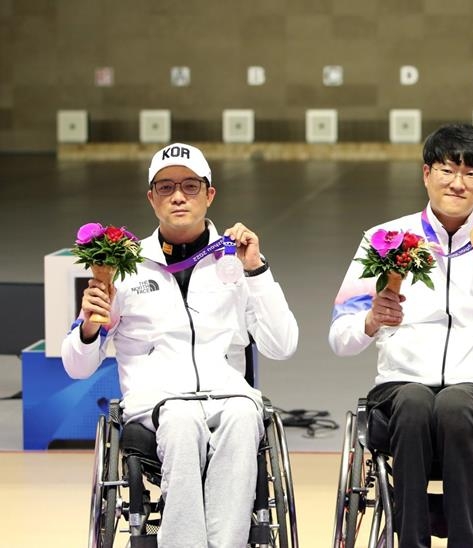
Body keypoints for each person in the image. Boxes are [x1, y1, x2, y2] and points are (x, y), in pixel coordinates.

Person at [329, 123, 473, 547]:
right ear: (426, 174)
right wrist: (371, 321)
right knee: (416, 401)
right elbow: (340, 338)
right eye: (447, 170)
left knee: (453, 403)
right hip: (400, 386)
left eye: (471, 173)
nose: (457, 183)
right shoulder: (384, 241)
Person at [61, 142, 299, 548]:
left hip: (228, 396)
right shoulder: (124, 267)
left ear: (210, 195)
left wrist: (256, 271)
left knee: (246, 415)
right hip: (159, 404)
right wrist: (87, 327)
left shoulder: (237, 260)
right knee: (182, 422)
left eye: (190, 186)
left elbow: (283, 345)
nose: (178, 195)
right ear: (151, 197)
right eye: (166, 186)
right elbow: (78, 367)